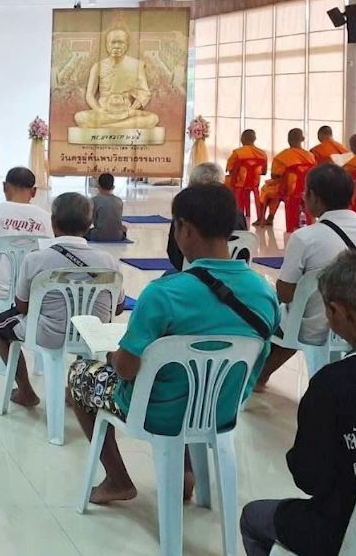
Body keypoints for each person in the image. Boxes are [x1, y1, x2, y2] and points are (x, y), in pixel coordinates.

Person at [68, 182, 278, 504]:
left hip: (157, 413)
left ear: (186, 229)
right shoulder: (264, 292)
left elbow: (126, 370)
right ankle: (186, 473)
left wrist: (112, 358)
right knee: (190, 381)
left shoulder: (164, 293)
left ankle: (117, 479)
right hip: (222, 409)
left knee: (80, 374)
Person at [239, 251, 356, 556]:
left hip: (353, 534)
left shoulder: (331, 383)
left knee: (253, 518)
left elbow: (310, 480)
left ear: (337, 313)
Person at [256, 164, 356, 388]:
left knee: (285, 312)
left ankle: (258, 376)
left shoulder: (305, 237)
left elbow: (286, 293)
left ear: (313, 196)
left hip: (315, 325)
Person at [0, 193, 123, 407]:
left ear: (53, 223)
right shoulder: (107, 260)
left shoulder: (36, 259)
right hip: (92, 334)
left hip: (48, 334)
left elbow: (21, 305)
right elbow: (117, 308)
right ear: (90, 224)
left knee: (0, 325)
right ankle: (77, 389)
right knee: (86, 318)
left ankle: (26, 392)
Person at [0, 167, 53, 344]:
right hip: (33, 291)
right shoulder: (46, 218)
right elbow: (51, 255)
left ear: (5, 187)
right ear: (34, 191)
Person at [166, 162, 247, 272]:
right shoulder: (237, 214)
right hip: (234, 273)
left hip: (191, 273)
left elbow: (174, 255)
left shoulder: (183, 215)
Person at [255, 128, 317, 230]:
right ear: (302, 139)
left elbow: (274, 175)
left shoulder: (281, 157)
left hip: (287, 190)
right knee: (279, 187)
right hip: (306, 189)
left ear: (288, 140)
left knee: (267, 189)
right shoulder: (310, 156)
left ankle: (266, 217)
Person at [226, 129, 267, 219]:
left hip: (239, 184)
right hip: (254, 184)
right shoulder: (262, 154)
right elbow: (264, 172)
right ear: (254, 139)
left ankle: (234, 213)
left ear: (242, 139)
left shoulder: (237, 153)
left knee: (226, 182)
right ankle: (259, 217)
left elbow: (230, 170)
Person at [88, 173, 127, 242]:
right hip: (118, 236)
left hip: (98, 236)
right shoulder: (119, 200)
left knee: (84, 232)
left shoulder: (94, 200)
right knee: (123, 228)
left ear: (98, 186)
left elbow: (93, 221)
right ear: (113, 187)